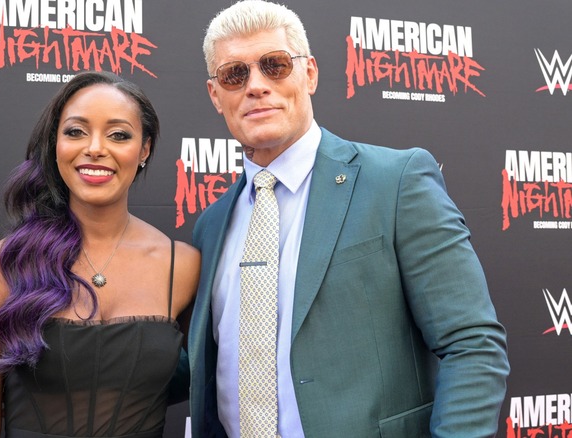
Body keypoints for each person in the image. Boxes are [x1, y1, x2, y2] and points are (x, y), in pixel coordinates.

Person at [187, 1, 510, 437]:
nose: (256, 86)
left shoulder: (395, 182)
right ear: (214, 95)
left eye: (275, 65)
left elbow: (473, 344)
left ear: (311, 73)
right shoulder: (210, 225)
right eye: (234, 74)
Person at [0, 71, 200, 438]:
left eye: (118, 134)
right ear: (55, 144)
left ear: (144, 149)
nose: (95, 148)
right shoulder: (4, 264)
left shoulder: (182, 266)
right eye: (75, 132)